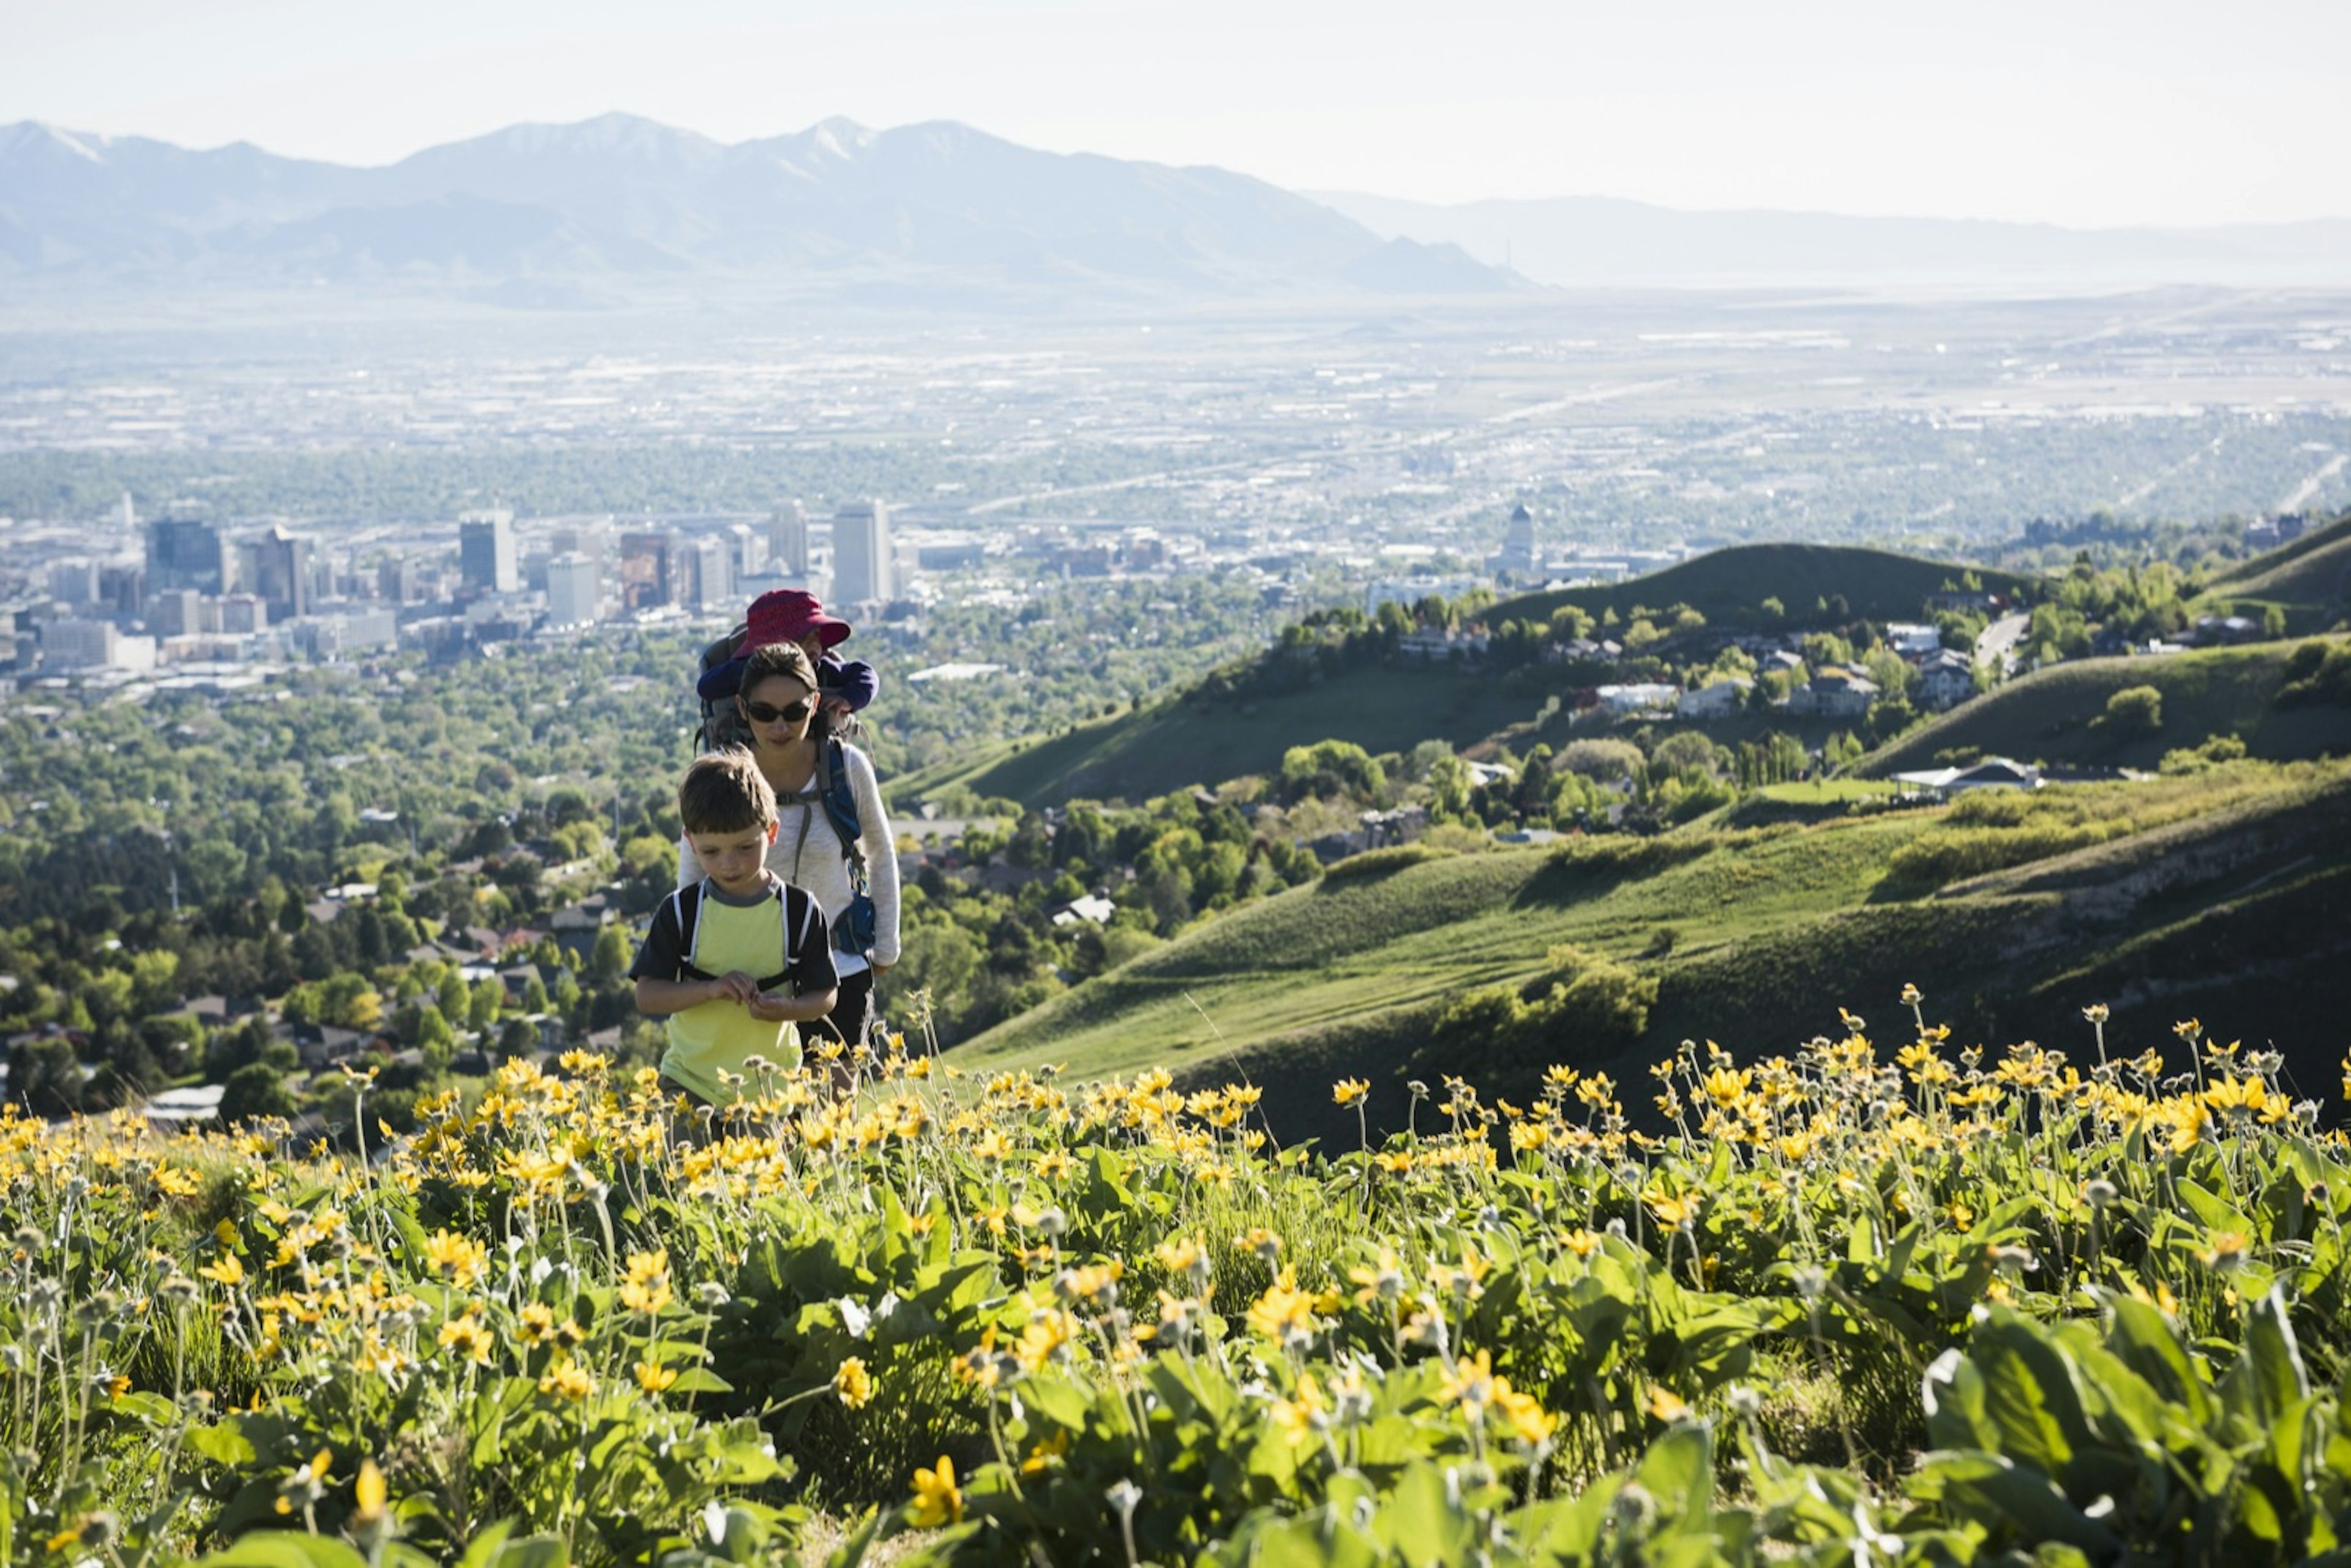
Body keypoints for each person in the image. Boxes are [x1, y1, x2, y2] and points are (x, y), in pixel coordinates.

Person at [678, 641, 901, 1053]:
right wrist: (691, 970)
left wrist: (886, 946)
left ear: (815, 704)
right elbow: (693, 873)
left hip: (840, 969)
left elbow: (880, 853)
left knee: (836, 1113)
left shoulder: (846, 768)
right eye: (764, 712)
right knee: (769, 1113)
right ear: (743, 709)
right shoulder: (724, 778)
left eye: (794, 711)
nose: (779, 725)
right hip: (749, 984)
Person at [633, 749, 838, 1108]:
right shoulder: (681, 912)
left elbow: (825, 997)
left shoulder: (800, 911)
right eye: (711, 852)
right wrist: (712, 989)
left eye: (745, 847)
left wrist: (787, 1009)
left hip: (771, 1087)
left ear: (772, 831)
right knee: (685, 1166)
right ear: (691, 842)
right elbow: (648, 996)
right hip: (690, 1079)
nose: (729, 864)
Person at [697, 589, 879, 751]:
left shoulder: (821, 669)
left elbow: (866, 674)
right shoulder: (746, 669)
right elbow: (706, 686)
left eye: (816, 635)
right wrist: (757, 669)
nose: (815, 645)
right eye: (803, 637)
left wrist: (849, 698)